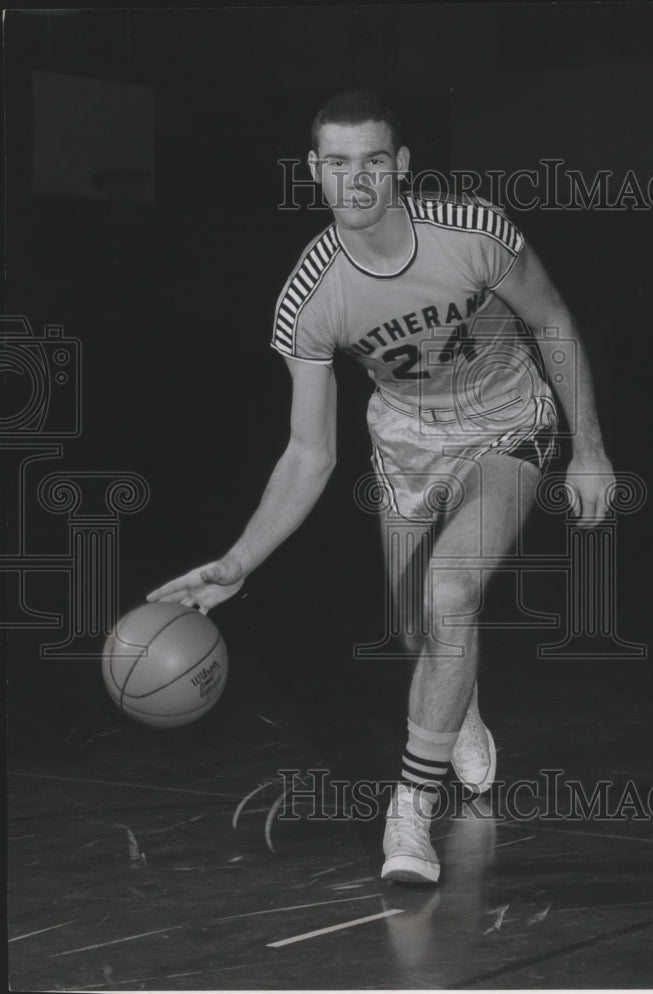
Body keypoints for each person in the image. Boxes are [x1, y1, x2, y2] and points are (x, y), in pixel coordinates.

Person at [147, 88, 615, 884]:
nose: (354, 179)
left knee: (449, 594)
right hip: (404, 446)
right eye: (336, 162)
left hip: (508, 424)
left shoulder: (472, 233)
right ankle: (455, 706)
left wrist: (590, 450)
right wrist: (239, 561)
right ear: (313, 171)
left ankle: (410, 807)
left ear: (400, 166)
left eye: (372, 160)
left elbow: (552, 321)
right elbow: (307, 454)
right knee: (416, 634)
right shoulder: (310, 296)